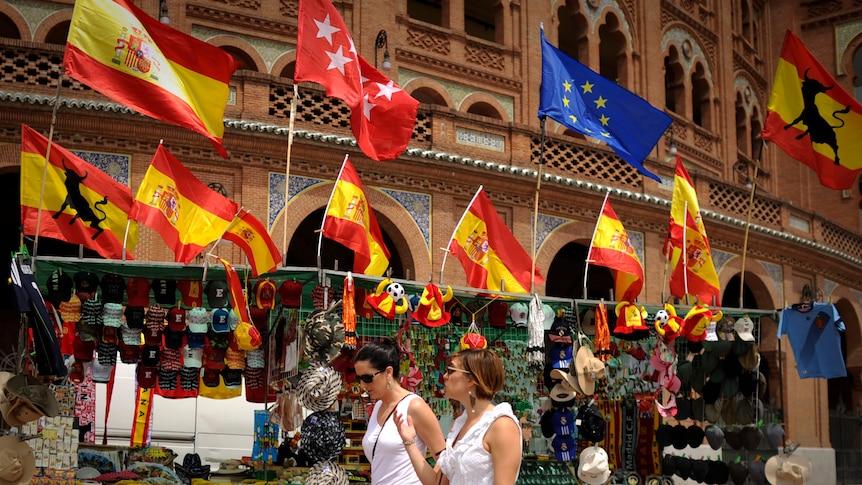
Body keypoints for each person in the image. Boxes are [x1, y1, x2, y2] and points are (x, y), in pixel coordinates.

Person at [396, 348, 522, 485]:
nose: (444, 376)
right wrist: (409, 442)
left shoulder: (501, 425)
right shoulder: (460, 423)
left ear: (471, 379)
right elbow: (436, 482)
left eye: (451, 370)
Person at [355, 338, 446, 485]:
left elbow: (444, 460)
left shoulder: (414, 406)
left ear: (388, 372)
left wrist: (432, 481)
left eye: (367, 378)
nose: (362, 385)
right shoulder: (379, 406)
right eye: (358, 378)